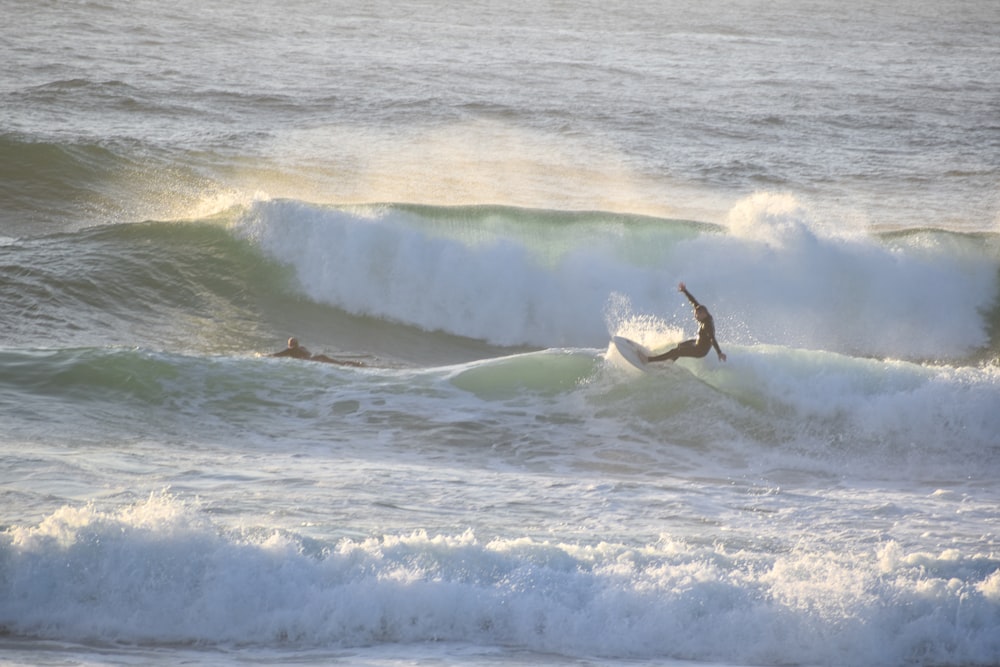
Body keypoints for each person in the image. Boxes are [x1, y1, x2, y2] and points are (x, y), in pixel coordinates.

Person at [645, 282, 727, 363]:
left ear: (703, 314)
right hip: (697, 343)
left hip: (699, 351)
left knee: (675, 351)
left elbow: (712, 338)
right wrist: (685, 291)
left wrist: (719, 353)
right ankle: (669, 362)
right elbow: (694, 302)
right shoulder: (704, 313)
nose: (696, 317)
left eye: (697, 315)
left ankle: (648, 360)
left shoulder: (707, 325)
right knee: (681, 346)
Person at [271, 337, 366, 367]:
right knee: (339, 363)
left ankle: (355, 364)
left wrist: (263, 355)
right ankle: (357, 364)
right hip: (318, 356)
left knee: (339, 364)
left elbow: (277, 355)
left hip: (314, 359)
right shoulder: (302, 348)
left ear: (290, 344)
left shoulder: (291, 350)